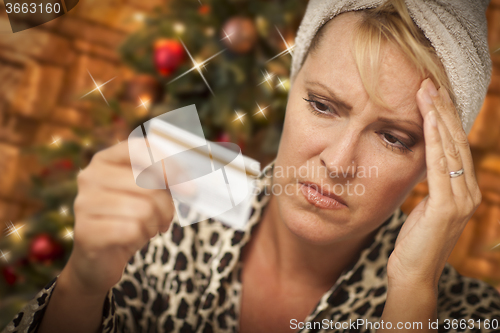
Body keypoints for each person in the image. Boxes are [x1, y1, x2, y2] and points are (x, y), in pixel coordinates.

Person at [3, 0, 500, 332]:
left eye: (394, 137)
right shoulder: (174, 194)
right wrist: (82, 283)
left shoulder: (467, 313)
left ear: (436, 164)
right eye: (324, 105)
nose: (338, 162)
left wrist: (412, 293)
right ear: (291, 88)